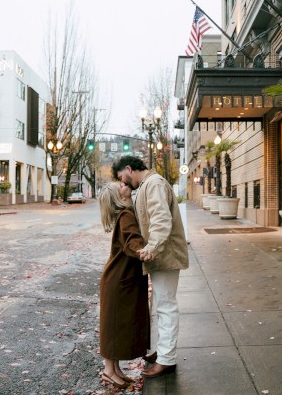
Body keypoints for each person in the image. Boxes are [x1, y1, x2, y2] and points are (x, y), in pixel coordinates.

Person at [112, 156, 189, 379]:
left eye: (122, 179)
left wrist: (153, 246)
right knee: (161, 305)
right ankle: (164, 352)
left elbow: (161, 218)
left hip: (164, 255)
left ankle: (167, 359)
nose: (124, 184)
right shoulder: (148, 185)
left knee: (165, 306)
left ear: (128, 169)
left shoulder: (153, 184)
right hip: (160, 256)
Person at [98, 181, 150, 389]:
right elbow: (132, 241)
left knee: (114, 327)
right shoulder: (126, 214)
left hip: (118, 278)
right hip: (119, 280)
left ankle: (115, 370)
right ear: (118, 197)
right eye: (118, 185)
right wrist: (145, 252)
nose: (123, 183)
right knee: (113, 327)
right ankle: (110, 371)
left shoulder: (127, 212)